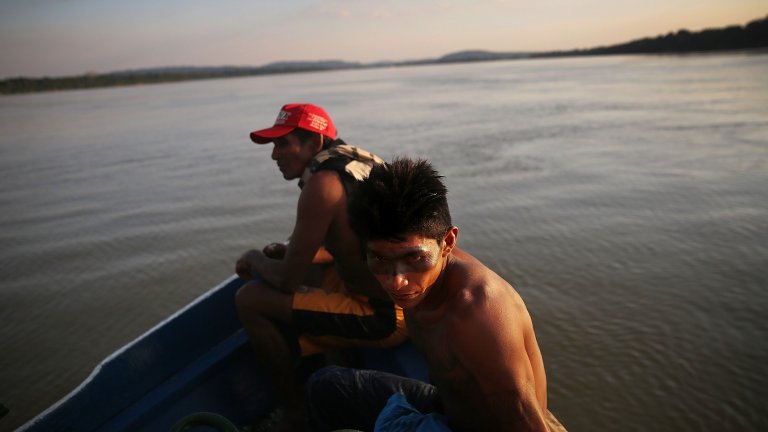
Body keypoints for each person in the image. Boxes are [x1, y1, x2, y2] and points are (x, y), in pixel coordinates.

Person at [306, 158, 565, 431]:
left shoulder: (476, 312)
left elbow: (523, 414)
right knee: (326, 386)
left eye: (414, 258)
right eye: (380, 259)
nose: (397, 281)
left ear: (448, 243)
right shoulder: (419, 282)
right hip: (447, 409)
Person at [234, 104, 408, 431]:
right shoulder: (358, 163)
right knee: (307, 267)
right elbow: (351, 238)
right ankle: (335, 362)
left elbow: (287, 281)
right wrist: (289, 252)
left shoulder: (323, 183)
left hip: (384, 315)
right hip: (407, 298)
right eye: (274, 145)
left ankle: (294, 412)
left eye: (283, 144)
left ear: (314, 143)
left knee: (250, 299)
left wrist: (254, 258)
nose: (274, 155)